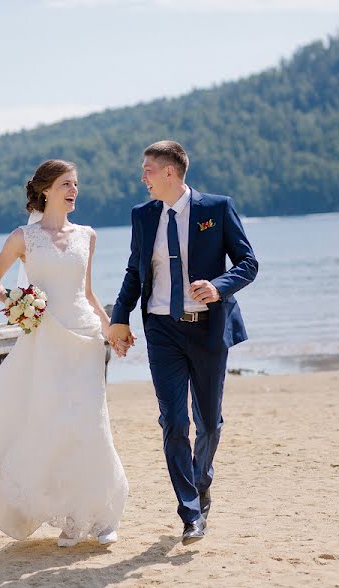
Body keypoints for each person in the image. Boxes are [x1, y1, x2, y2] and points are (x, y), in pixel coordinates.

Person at [0, 159, 129, 547]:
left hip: (85, 338)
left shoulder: (87, 236)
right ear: (45, 190)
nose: (73, 190)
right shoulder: (23, 238)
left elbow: (89, 293)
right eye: (66, 184)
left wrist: (111, 329)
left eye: (76, 184)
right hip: (45, 339)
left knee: (92, 425)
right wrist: (18, 302)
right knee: (54, 424)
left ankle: (100, 517)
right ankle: (68, 520)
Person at [108, 141, 258, 545]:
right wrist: (118, 318)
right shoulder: (143, 216)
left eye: (148, 171)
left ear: (169, 172)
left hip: (209, 328)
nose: (143, 178)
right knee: (174, 421)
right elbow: (134, 270)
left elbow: (248, 263)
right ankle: (191, 512)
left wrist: (219, 285)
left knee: (208, 421)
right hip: (162, 330)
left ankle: (201, 479)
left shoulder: (216, 209)